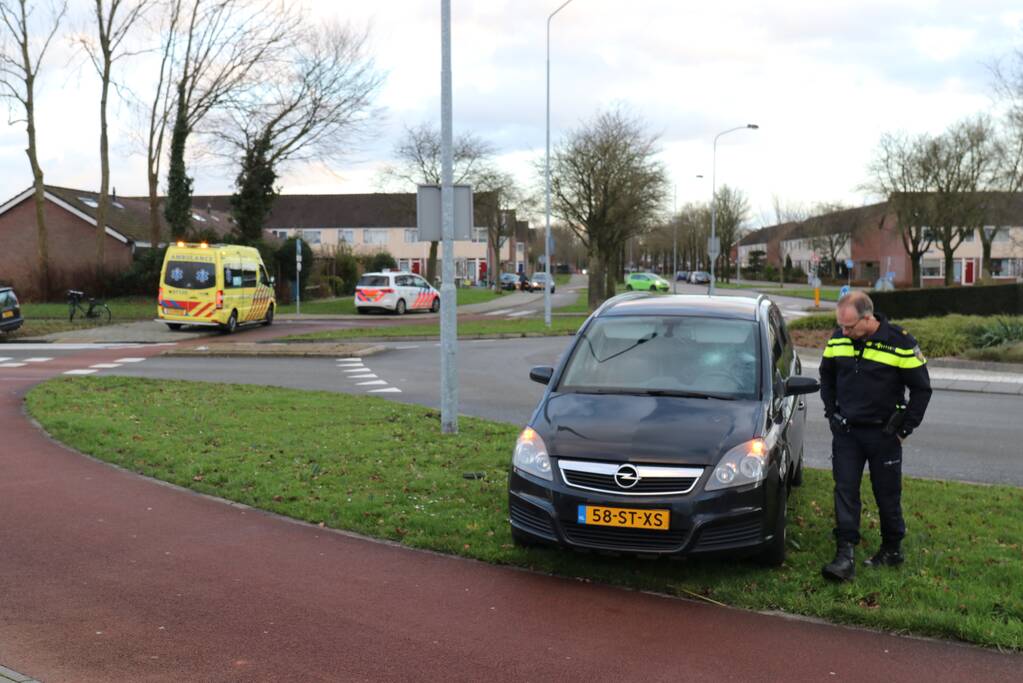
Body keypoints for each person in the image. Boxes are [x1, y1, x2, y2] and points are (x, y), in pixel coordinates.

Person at [819, 291, 932, 582]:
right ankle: (845, 554)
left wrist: (905, 429)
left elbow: (922, 389)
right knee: (845, 490)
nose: (844, 332)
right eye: (841, 326)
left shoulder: (900, 342)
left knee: (887, 494)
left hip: (884, 434)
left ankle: (892, 549)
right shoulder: (838, 339)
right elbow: (827, 378)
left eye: (850, 327)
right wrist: (832, 413)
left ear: (868, 318)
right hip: (847, 433)